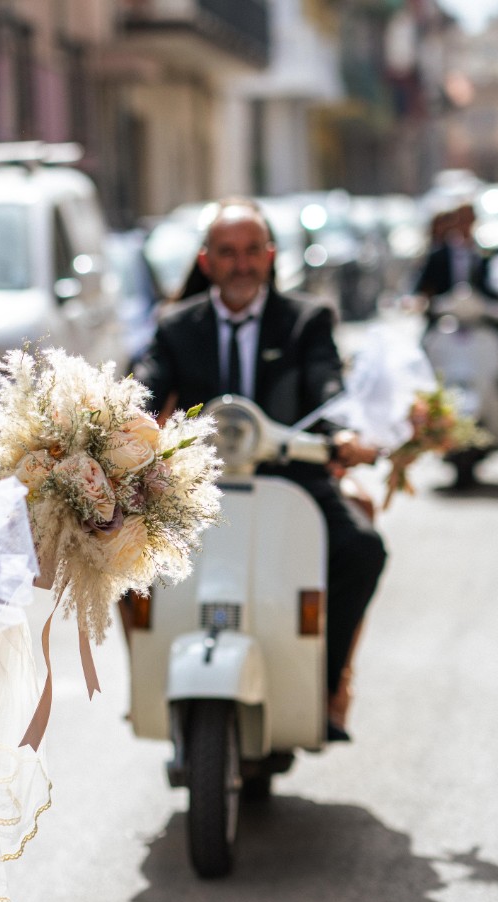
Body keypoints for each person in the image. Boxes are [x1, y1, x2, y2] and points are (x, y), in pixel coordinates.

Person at [131, 197, 386, 741]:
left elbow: (327, 384)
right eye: (227, 253)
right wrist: (116, 422)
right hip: (196, 486)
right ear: (206, 261)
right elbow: (145, 388)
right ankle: (147, 683)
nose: (241, 264)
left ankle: (325, 683)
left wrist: (343, 433)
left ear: (270, 256)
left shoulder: (307, 319)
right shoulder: (176, 325)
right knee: (117, 551)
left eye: (252, 251)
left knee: (362, 550)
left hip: (292, 480)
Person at [413, 204, 498, 410]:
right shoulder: (439, 255)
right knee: (420, 358)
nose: (465, 225)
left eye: (469, 219)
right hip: (446, 322)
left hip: (480, 322)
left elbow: (495, 290)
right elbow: (421, 289)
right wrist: (420, 302)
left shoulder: (482, 255)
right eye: (461, 219)